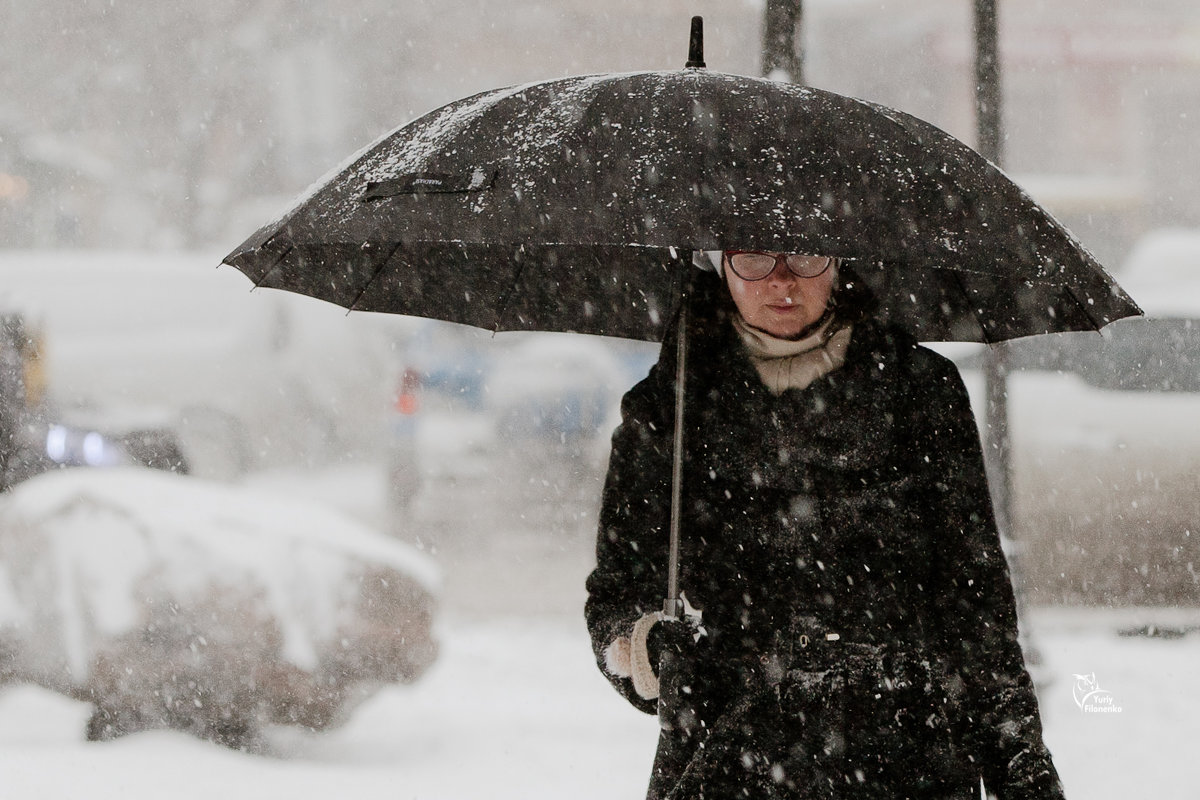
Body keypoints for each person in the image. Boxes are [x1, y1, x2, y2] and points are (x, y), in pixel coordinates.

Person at [584, 250, 1066, 799]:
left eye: (807, 254)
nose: (782, 279)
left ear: (840, 261)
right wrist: (647, 650)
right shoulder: (667, 408)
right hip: (730, 754)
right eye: (755, 257)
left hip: (908, 747)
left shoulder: (921, 390)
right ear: (718, 264)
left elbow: (975, 599)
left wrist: (1022, 766)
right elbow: (619, 591)